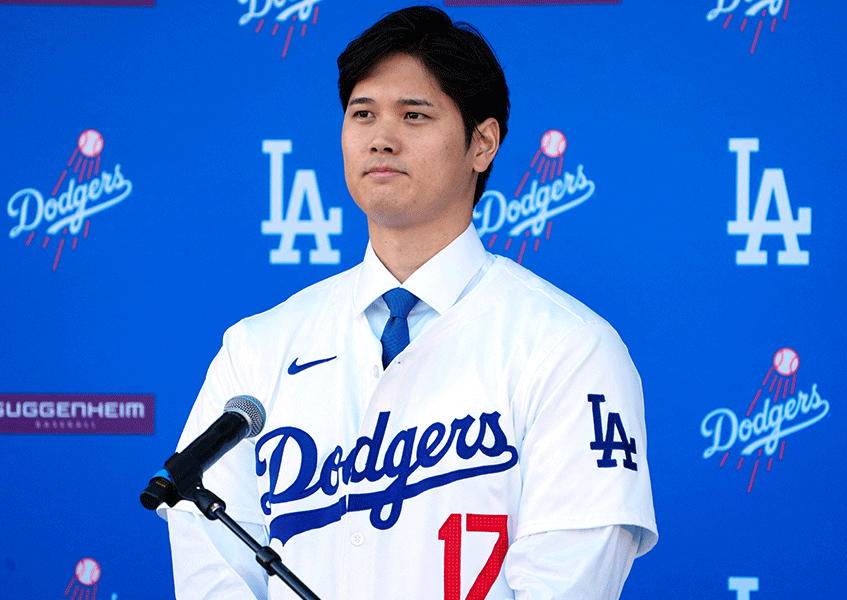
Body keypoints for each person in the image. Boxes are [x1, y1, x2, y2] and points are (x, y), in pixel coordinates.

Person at [164, 6, 657, 599]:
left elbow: (569, 578)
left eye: (414, 115)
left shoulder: (570, 347)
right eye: (362, 114)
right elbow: (212, 563)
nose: (381, 138)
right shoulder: (258, 347)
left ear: (482, 143)